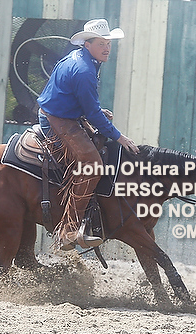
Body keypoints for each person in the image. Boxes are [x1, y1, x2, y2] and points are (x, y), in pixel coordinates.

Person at [37, 19, 139, 250]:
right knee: (93, 165)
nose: (107, 48)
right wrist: (119, 137)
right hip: (57, 121)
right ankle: (68, 230)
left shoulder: (79, 59)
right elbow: (92, 113)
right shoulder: (84, 70)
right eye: (101, 43)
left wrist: (93, 112)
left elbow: (80, 101)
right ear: (87, 44)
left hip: (61, 115)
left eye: (108, 43)